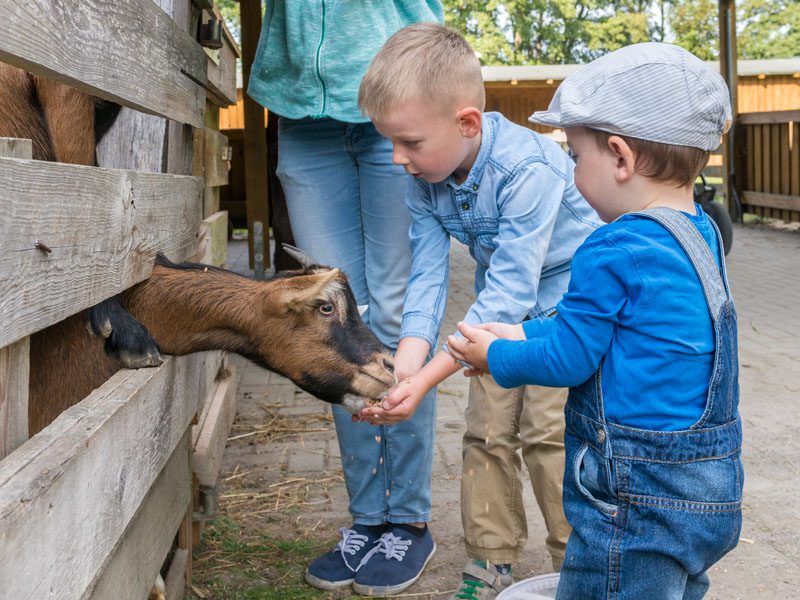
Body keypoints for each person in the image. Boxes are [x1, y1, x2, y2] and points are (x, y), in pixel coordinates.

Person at [448, 42, 743, 600]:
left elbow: (570, 357)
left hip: (636, 491)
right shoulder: (701, 233)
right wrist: (521, 331)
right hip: (708, 484)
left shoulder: (610, 246)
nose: (573, 171)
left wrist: (498, 357)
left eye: (576, 157)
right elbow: (597, 328)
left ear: (621, 157)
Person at [356, 23, 602, 598]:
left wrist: (429, 381)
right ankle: (491, 560)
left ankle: (580, 565)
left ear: (466, 123)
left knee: (549, 433)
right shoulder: (425, 177)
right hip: (494, 315)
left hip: (563, 309)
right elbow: (426, 280)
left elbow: (513, 292)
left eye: (410, 142)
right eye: (390, 142)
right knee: (486, 430)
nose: (397, 159)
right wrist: (405, 372)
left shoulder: (527, 168)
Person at [247, 2, 443, 596]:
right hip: (303, 111)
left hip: (397, 91)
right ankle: (368, 518)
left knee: (392, 308)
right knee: (331, 318)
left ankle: (407, 518)